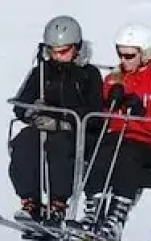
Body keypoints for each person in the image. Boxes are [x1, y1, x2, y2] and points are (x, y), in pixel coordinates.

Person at [77, 24, 151, 241]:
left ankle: (116, 218)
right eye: (120, 54)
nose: (124, 60)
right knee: (101, 154)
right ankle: (93, 213)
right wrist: (109, 104)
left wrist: (142, 113)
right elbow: (100, 117)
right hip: (115, 135)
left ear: (145, 54)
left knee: (128, 158)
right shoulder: (113, 79)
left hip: (145, 141)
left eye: (130, 56)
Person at [9, 15, 104, 224]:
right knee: (25, 142)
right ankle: (31, 201)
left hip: (76, 132)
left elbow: (95, 112)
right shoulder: (42, 72)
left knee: (60, 145)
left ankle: (57, 203)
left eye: (63, 51)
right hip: (44, 128)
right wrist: (33, 110)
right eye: (53, 51)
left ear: (77, 48)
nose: (58, 56)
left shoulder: (88, 75)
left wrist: (63, 120)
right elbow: (20, 105)